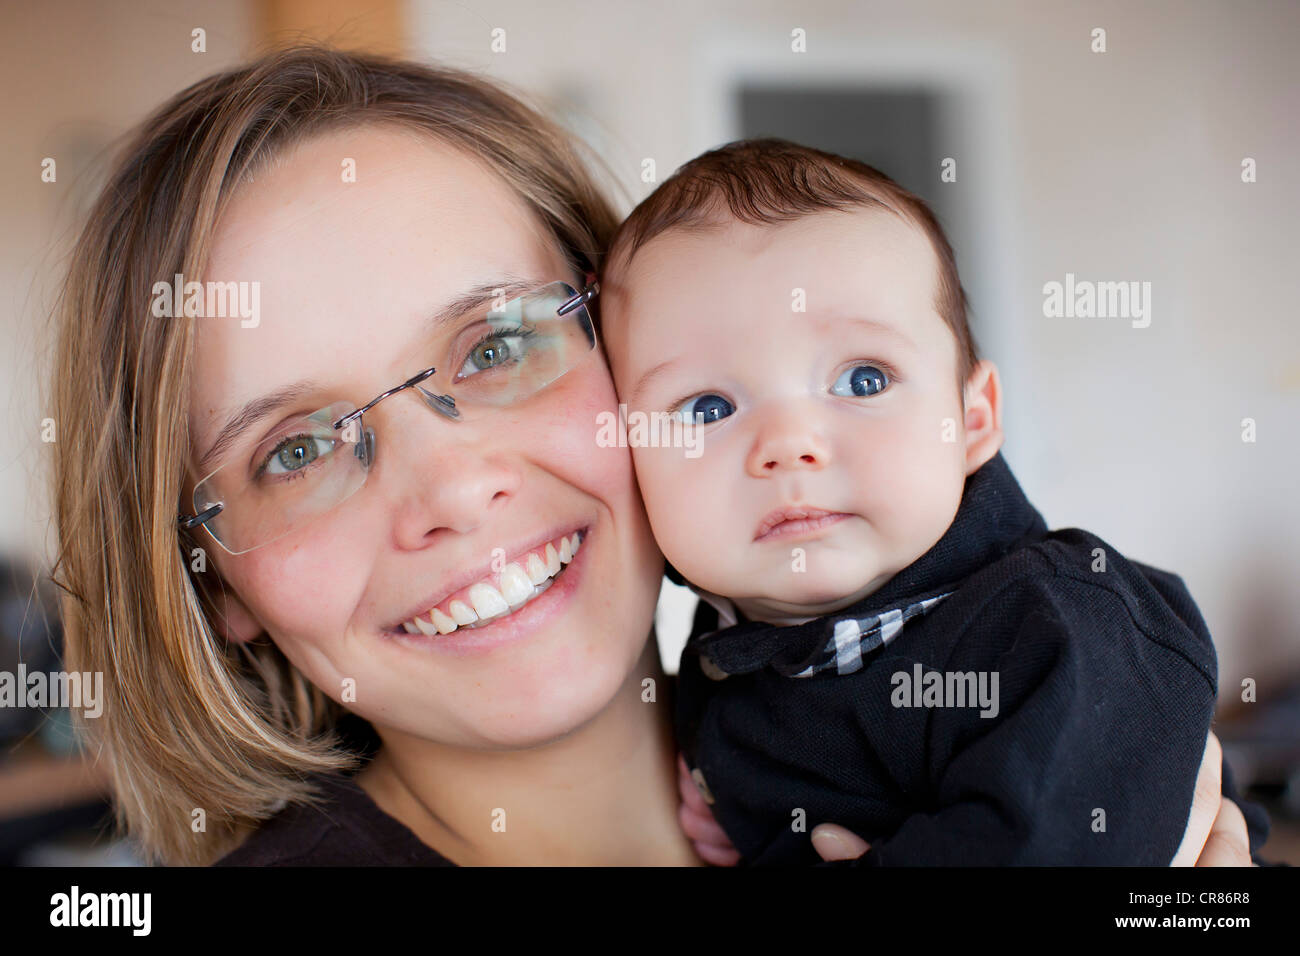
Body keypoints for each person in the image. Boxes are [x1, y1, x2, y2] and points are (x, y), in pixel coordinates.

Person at [45, 47, 1250, 867]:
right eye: (296, 446)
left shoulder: (966, 694)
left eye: (499, 341)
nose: (452, 491)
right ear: (211, 578)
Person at [597, 138, 1272, 865]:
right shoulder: (719, 657)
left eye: (863, 379)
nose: (789, 445)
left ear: (973, 420)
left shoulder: (1061, 625)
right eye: (704, 408)